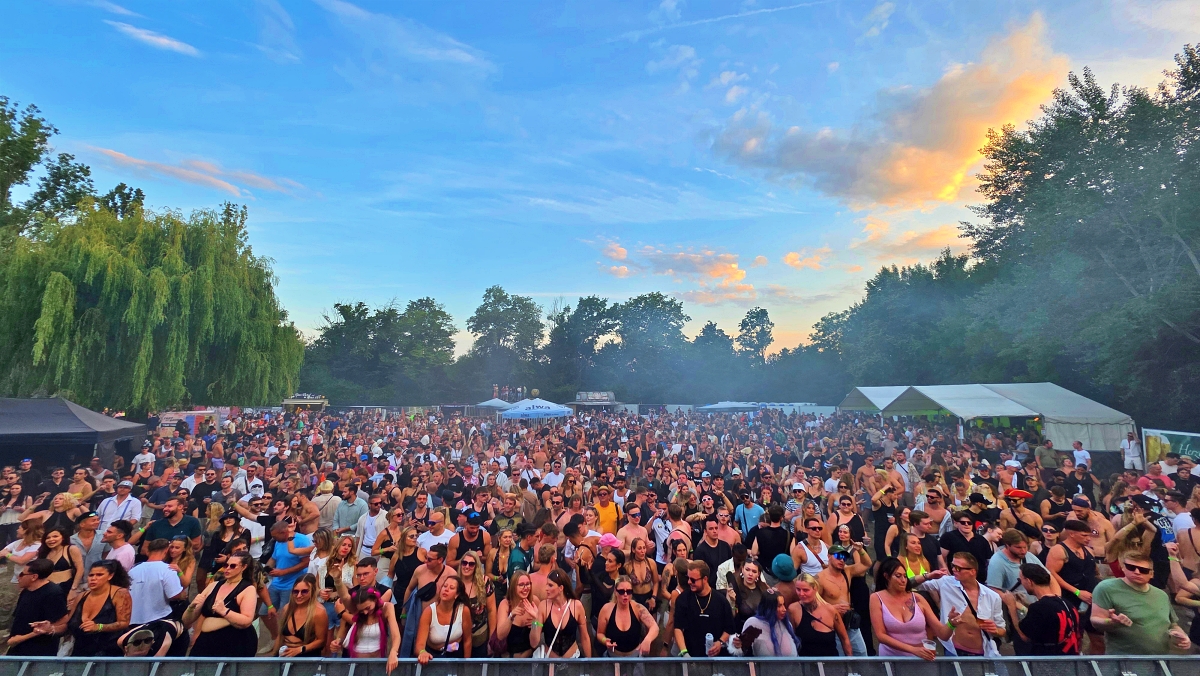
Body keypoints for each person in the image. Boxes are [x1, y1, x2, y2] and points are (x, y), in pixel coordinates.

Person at [1091, 550, 1191, 654]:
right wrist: (1111, 622)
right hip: (1124, 658)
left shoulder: (1161, 595)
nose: (1137, 572)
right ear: (1123, 568)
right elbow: (1095, 620)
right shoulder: (1106, 588)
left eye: (1143, 570)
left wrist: (1182, 636)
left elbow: (1172, 624)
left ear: (1151, 574)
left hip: (1159, 658)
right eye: (1131, 567)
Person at [918, 552, 1007, 656]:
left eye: (958, 568)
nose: (954, 570)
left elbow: (1002, 630)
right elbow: (911, 585)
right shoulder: (945, 582)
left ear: (972, 571)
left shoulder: (992, 596)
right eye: (952, 566)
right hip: (953, 650)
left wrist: (995, 631)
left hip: (982, 654)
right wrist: (928, 576)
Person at [870, 557, 950, 660]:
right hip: (891, 659)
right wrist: (912, 650)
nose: (903, 580)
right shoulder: (876, 598)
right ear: (886, 576)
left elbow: (942, 634)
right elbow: (881, 636)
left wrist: (952, 624)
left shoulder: (918, 598)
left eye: (905, 576)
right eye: (898, 576)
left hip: (920, 659)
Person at [184, 552, 260, 656]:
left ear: (243, 567)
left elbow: (247, 620)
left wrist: (225, 611)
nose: (227, 568)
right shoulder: (213, 585)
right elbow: (186, 621)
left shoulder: (248, 589)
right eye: (225, 565)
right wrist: (191, 607)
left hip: (234, 642)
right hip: (207, 641)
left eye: (232, 566)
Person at [63, 560, 133, 656]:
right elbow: (68, 624)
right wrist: (51, 629)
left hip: (109, 652)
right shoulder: (81, 596)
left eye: (99, 575)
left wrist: (99, 627)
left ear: (110, 576)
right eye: (91, 575)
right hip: (80, 652)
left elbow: (124, 622)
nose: (93, 578)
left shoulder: (120, 593)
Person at [1012, 563, 1081, 655]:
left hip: (1048, 660)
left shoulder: (1038, 608)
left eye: (1020, 580)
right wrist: (1026, 604)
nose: (1021, 583)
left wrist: (1011, 606)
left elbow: (1025, 637)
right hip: (1071, 657)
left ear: (1029, 581)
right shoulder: (1068, 604)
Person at [672, 559, 736, 657]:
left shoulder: (721, 601)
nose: (689, 582)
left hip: (716, 657)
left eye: (693, 580)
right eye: (688, 578)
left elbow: (729, 627)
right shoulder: (683, 599)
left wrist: (720, 642)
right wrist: (684, 652)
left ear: (705, 579)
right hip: (691, 654)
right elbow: (678, 627)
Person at [6, 559, 70, 656]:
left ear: (34, 577)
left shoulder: (53, 594)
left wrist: (22, 638)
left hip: (38, 651)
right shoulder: (26, 591)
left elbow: (63, 623)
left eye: (22, 574)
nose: (18, 577)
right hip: (17, 647)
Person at [789, 573, 850, 657]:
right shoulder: (793, 610)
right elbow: (791, 639)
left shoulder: (830, 610)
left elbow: (844, 638)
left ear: (815, 588)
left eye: (805, 590)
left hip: (830, 662)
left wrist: (849, 660)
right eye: (798, 589)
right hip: (806, 662)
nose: (801, 594)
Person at [596, 575, 658, 656]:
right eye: (621, 591)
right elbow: (599, 633)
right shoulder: (607, 609)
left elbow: (654, 627)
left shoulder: (637, 608)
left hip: (634, 657)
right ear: (615, 591)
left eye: (628, 591)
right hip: (613, 657)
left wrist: (647, 640)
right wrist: (605, 641)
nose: (625, 595)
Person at [415, 575, 472, 663]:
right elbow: (419, 645)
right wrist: (422, 652)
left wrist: (466, 665)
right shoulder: (429, 612)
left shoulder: (464, 610)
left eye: (451, 588)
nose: (446, 589)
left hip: (456, 657)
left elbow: (467, 640)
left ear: (457, 595)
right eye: (445, 586)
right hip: (433, 658)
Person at [537, 568, 592, 658]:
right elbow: (534, 642)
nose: (546, 589)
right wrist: (535, 622)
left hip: (573, 659)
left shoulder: (576, 606)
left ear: (561, 588)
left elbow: (585, 637)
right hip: (550, 661)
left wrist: (589, 662)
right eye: (546, 585)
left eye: (550, 585)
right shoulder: (543, 606)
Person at [128, 539, 185, 625]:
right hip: (159, 619)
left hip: (133, 620)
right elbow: (174, 595)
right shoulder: (168, 569)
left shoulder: (133, 570)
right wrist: (182, 595)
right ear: (166, 551)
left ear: (148, 551)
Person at [274, 573, 328, 657]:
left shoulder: (319, 612)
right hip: (285, 654)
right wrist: (273, 656)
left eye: (304, 591)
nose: (299, 595)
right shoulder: (287, 608)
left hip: (306, 656)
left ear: (313, 591)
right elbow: (280, 636)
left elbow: (321, 641)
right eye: (296, 591)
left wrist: (300, 649)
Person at [734, 591, 798, 657]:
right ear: (769, 608)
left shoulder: (786, 623)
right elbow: (742, 651)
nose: (784, 609)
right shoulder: (754, 624)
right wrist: (738, 646)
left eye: (783, 604)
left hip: (793, 663)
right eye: (779, 606)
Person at [458, 549, 496, 657]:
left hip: (479, 637)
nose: (467, 566)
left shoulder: (485, 582)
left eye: (471, 564)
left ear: (476, 566)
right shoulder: (455, 582)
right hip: (458, 637)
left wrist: (492, 638)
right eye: (464, 563)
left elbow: (492, 610)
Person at [495, 571, 542, 657]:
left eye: (528, 584)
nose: (525, 588)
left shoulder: (534, 601)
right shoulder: (505, 604)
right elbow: (500, 635)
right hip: (508, 658)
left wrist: (535, 621)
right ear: (513, 587)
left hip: (529, 656)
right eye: (521, 585)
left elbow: (540, 631)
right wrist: (511, 616)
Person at [38, 526, 84, 596]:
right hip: (45, 588)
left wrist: (73, 589)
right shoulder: (43, 552)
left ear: (63, 537)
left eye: (55, 536)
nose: (51, 539)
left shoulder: (71, 549)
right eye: (48, 538)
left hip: (65, 587)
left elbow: (80, 569)